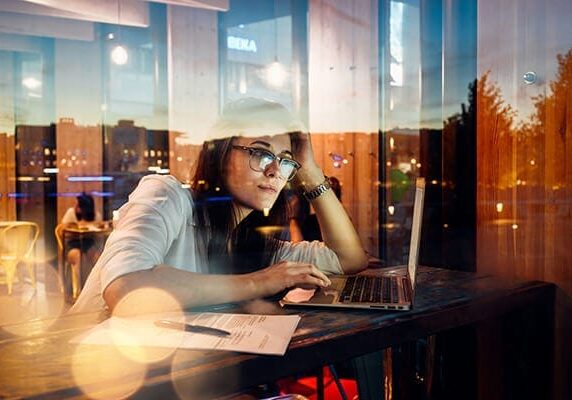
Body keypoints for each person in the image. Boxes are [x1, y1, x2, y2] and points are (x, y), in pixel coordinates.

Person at [72, 98, 368, 315]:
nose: (275, 171)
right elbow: (125, 290)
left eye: (286, 160)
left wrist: (311, 171)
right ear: (221, 154)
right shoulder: (166, 196)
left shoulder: (257, 245)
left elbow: (348, 259)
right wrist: (260, 282)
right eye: (260, 153)